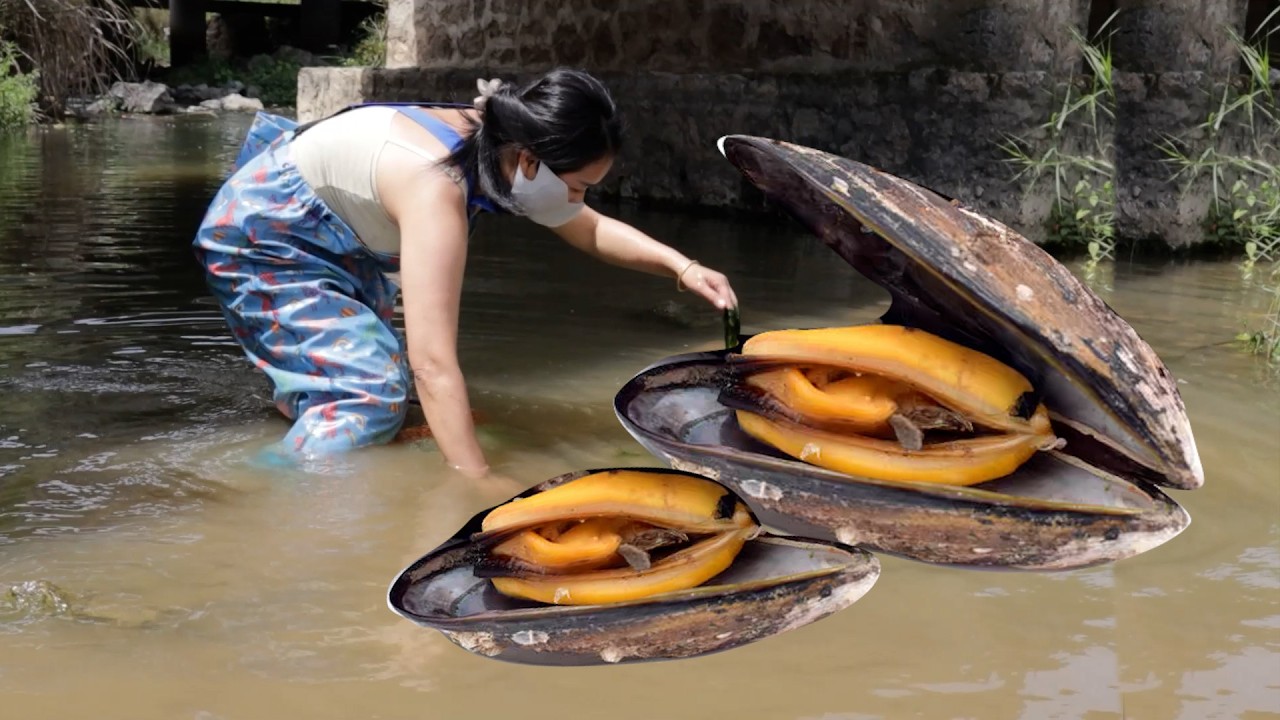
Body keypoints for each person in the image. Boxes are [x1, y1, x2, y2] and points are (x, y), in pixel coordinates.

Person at [192, 68, 739, 479]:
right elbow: (432, 364)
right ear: (528, 160)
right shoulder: (437, 185)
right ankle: (254, 486)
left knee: (373, 392)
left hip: (343, 234)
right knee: (369, 398)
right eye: (576, 185)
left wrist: (682, 266)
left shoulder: (497, 144)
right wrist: (475, 480)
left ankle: (312, 415)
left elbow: (586, 227)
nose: (578, 200)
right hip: (269, 237)